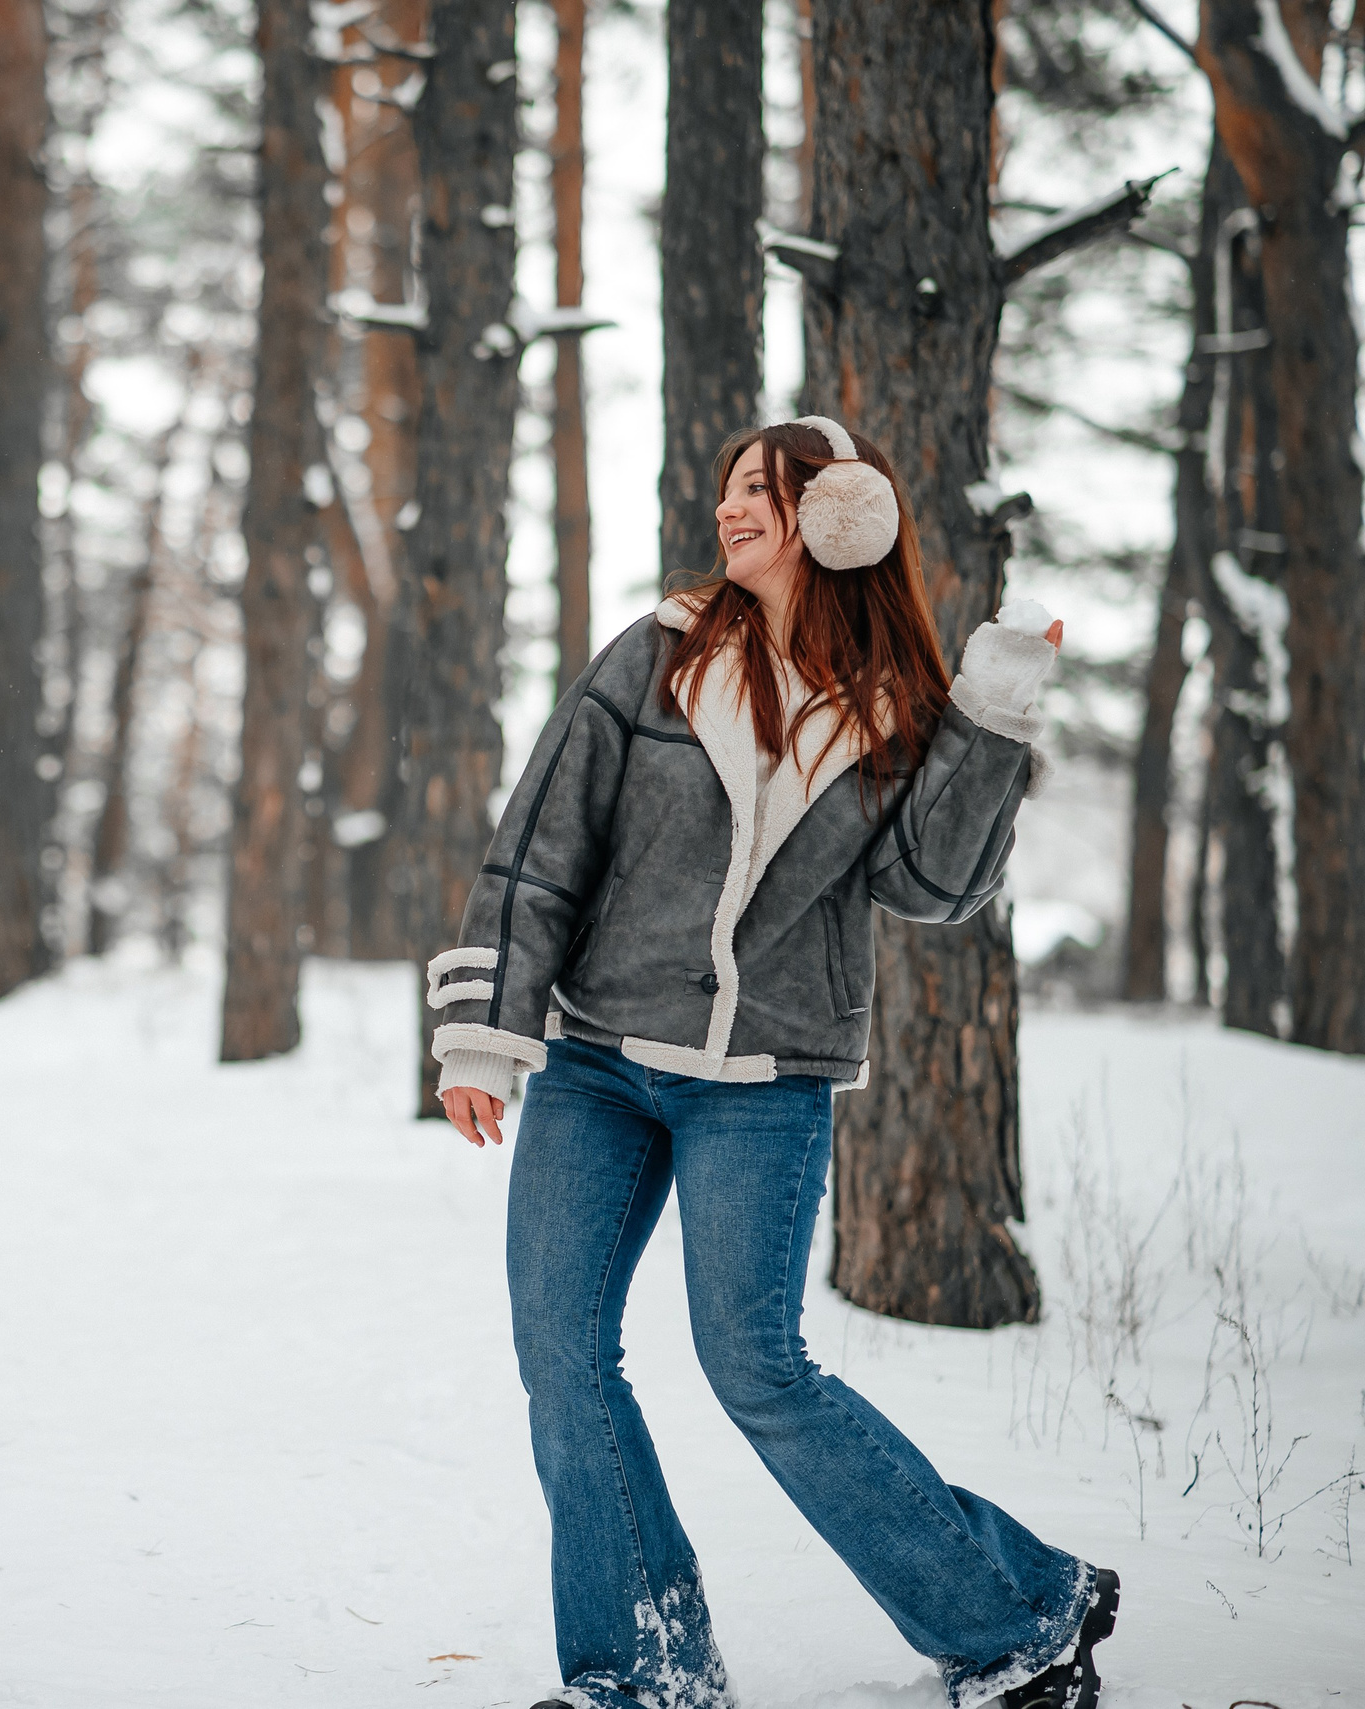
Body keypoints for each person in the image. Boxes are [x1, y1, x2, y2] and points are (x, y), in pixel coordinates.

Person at [426, 418, 1118, 1709]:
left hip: (765, 1079)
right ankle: (646, 1669)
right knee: (561, 1351)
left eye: (763, 489)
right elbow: (541, 844)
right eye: (732, 486)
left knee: (755, 1363)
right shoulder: (655, 658)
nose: (732, 507)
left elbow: (935, 885)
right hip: (596, 1065)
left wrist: (992, 715)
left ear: (838, 512)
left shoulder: (898, 706)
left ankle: (1016, 1614)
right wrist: (486, 1027)